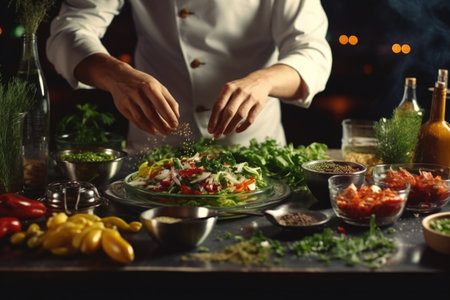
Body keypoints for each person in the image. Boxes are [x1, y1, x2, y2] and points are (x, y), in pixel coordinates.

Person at [46, 0, 332, 151]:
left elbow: (312, 52)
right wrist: (116, 75)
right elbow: (69, 30)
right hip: (154, 149)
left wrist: (264, 81)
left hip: (253, 149)